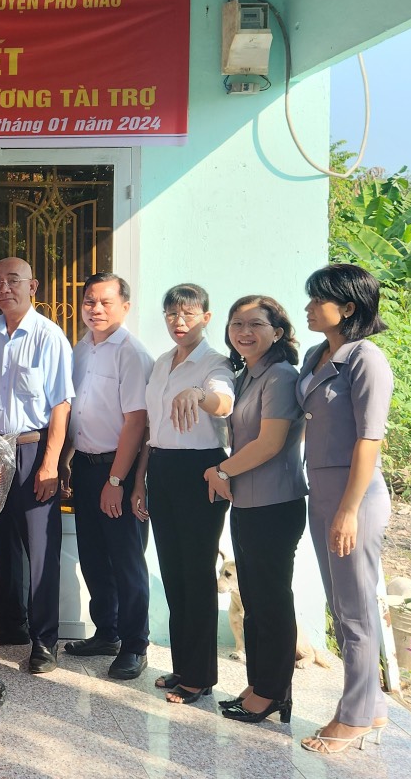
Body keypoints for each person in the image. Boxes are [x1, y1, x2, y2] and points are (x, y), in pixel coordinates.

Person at [296, 264, 393, 754]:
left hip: (356, 496)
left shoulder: (365, 359)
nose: (309, 308)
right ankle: (370, 706)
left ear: (348, 308)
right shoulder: (316, 355)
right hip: (322, 491)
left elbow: (368, 440)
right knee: (341, 604)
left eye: (319, 300)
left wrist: (349, 510)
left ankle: (354, 717)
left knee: (355, 609)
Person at [201, 295, 306, 725]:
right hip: (247, 502)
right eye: (237, 323)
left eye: (255, 324)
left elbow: (270, 443)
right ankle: (260, 684)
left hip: (275, 504)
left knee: (271, 602)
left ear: (277, 332)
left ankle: (273, 691)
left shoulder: (280, 376)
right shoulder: (245, 376)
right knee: (255, 602)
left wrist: (220, 470)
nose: (244, 331)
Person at [0, 257, 73, 675]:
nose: (4, 287)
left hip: (33, 449)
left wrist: (51, 463)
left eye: (13, 280)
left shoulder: (49, 336)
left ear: (33, 286)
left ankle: (45, 640)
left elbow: (61, 404)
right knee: (2, 541)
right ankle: (12, 624)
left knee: (41, 548)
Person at [138, 283, 235, 705]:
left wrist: (199, 394)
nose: (179, 322)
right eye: (172, 314)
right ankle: (183, 667)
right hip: (161, 467)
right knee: (173, 572)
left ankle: (200, 677)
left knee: (195, 574)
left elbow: (224, 402)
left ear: (206, 318)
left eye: (189, 314)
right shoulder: (162, 362)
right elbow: (152, 427)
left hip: (200, 470)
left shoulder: (215, 362)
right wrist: (141, 479)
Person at [62, 272, 153, 681]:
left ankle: (135, 645)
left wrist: (116, 482)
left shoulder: (131, 353)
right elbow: (77, 410)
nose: (95, 309)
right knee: (94, 556)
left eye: (105, 302)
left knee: (126, 561)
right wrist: (67, 458)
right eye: (89, 301)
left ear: (125, 307)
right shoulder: (81, 348)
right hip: (84, 464)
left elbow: (136, 422)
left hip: (118, 468)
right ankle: (107, 633)